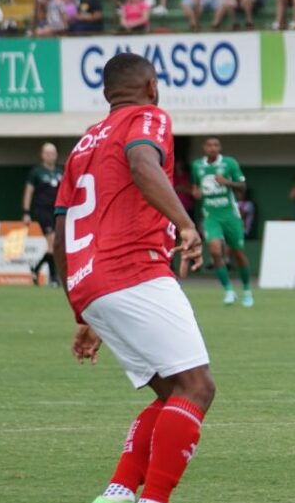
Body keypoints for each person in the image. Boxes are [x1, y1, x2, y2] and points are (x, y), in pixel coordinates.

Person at [52, 52, 211, 503]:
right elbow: (143, 163)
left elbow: (60, 235)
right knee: (197, 387)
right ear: (152, 86)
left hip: (91, 282)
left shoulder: (84, 143)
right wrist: (184, 223)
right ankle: (154, 498)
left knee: (171, 394)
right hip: (133, 268)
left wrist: (83, 310)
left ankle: (119, 491)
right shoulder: (149, 115)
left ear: (106, 95)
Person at [191, 137, 253, 307]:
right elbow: (196, 186)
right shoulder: (197, 166)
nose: (213, 148)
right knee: (215, 251)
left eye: (216, 145)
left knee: (238, 254)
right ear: (204, 148)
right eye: (209, 145)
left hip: (230, 215)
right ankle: (229, 291)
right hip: (211, 216)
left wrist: (227, 182)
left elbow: (243, 186)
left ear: (220, 148)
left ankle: (247, 290)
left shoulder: (229, 163)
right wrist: (196, 193)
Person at [23, 142, 63, 286]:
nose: (50, 156)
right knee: (52, 243)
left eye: (52, 153)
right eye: (47, 153)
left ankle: (36, 268)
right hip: (42, 211)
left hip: (57, 211)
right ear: (42, 155)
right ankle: (53, 278)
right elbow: (29, 192)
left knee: (55, 245)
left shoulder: (60, 172)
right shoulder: (37, 172)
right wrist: (26, 212)